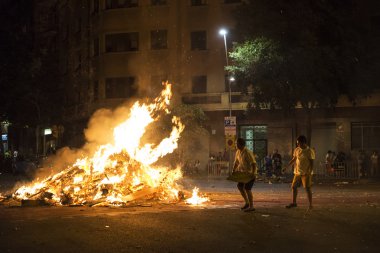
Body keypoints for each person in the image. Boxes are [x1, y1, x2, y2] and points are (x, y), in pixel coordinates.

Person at [284, 135, 314, 211]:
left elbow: (311, 162)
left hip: (306, 173)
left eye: (299, 143)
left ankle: (310, 205)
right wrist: (287, 166)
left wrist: (310, 172)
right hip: (297, 172)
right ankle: (294, 203)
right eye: (297, 143)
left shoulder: (309, 151)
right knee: (294, 187)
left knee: (307, 188)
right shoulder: (297, 150)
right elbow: (294, 159)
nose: (298, 145)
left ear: (304, 143)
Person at [233, 138, 257, 212]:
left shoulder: (247, 152)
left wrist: (252, 174)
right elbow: (236, 162)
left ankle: (251, 206)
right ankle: (247, 202)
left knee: (247, 189)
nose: (235, 145)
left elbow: (253, 164)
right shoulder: (238, 152)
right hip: (243, 173)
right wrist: (233, 170)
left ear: (241, 144)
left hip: (250, 173)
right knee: (240, 186)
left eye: (236, 143)